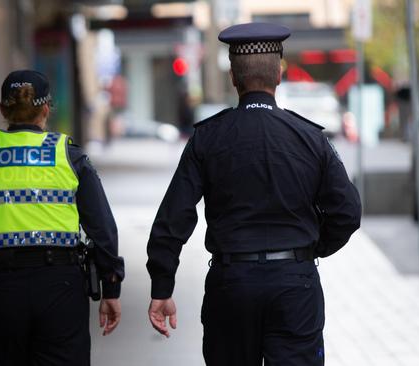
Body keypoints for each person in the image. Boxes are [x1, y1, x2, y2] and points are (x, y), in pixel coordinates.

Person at [146, 23, 361, 365]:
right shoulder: (310, 138)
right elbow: (348, 212)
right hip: (295, 284)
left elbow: (174, 218)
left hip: (232, 284)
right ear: (279, 73)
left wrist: (162, 285)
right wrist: (311, 248)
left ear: (233, 77)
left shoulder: (207, 138)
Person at [0, 70, 124, 366]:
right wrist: (111, 287)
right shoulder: (68, 155)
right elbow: (102, 228)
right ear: (46, 109)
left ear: (2, 110)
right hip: (59, 288)